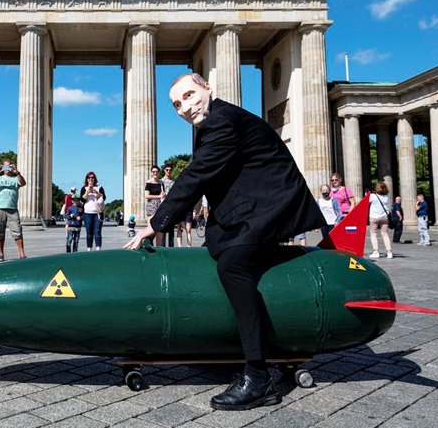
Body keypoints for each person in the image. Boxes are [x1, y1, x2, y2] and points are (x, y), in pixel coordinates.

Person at [124, 73, 324, 411]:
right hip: (248, 207)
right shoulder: (216, 122)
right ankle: (226, 348)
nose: (184, 107)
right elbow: (208, 178)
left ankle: (259, 378)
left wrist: (155, 224)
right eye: (176, 104)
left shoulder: (221, 121)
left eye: (189, 95)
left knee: (233, 266)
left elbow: (197, 175)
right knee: (213, 256)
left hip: (271, 205)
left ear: (207, 87)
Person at [0, 159, 27, 262]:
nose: (7, 169)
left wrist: (17, 172)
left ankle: (22, 253)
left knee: (17, 231)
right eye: (5, 167)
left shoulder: (15, 179)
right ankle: (1, 254)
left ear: (12, 167)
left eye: (9, 166)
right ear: (2, 168)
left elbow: (23, 183)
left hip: (12, 209)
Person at [80, 171, 106, 250]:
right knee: (89, 232)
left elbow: (104, 197)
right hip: (87, 213)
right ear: (86, 179)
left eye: (92, 177)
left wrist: (96, 192)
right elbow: (82, 199)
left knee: (97, 232)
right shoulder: (83, 188)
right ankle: (89, 249)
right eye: (89, 178)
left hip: (98, 213)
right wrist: (87, 192)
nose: (91, 179)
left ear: (95, 179)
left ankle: (98, 249)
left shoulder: (100, 187)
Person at [368, 181, 393, 259]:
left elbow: (367, 203)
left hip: (374, 217)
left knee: (373, 234)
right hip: (384, 217)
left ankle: (376, 251)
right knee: (385, 234)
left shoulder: (373, 196)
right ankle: (389, 252)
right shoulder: (386, 196)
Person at [144, 165, 166, 247]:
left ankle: (159, 247)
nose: (155, 173)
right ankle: (149, 244)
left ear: (159, 172)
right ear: (151, 172)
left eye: (156, 171)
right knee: (151, 227)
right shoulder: (148, 182)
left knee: (160, 227)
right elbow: (146, 196)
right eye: (153, 172)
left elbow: (163, 195)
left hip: (160, 205)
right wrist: (158, 196)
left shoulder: (161, 183)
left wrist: (164, 195)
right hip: (151, 205)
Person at [160, 165, 176, 247]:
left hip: (172, 206)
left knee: (171, 227)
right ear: (164, 170)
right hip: (163, 205)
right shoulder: (161, 181)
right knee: (163, 226)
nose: (168, 171)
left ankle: (171, 245)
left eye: (170, 170)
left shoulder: (174, 182)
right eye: (167, 170)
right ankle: (162, 245)